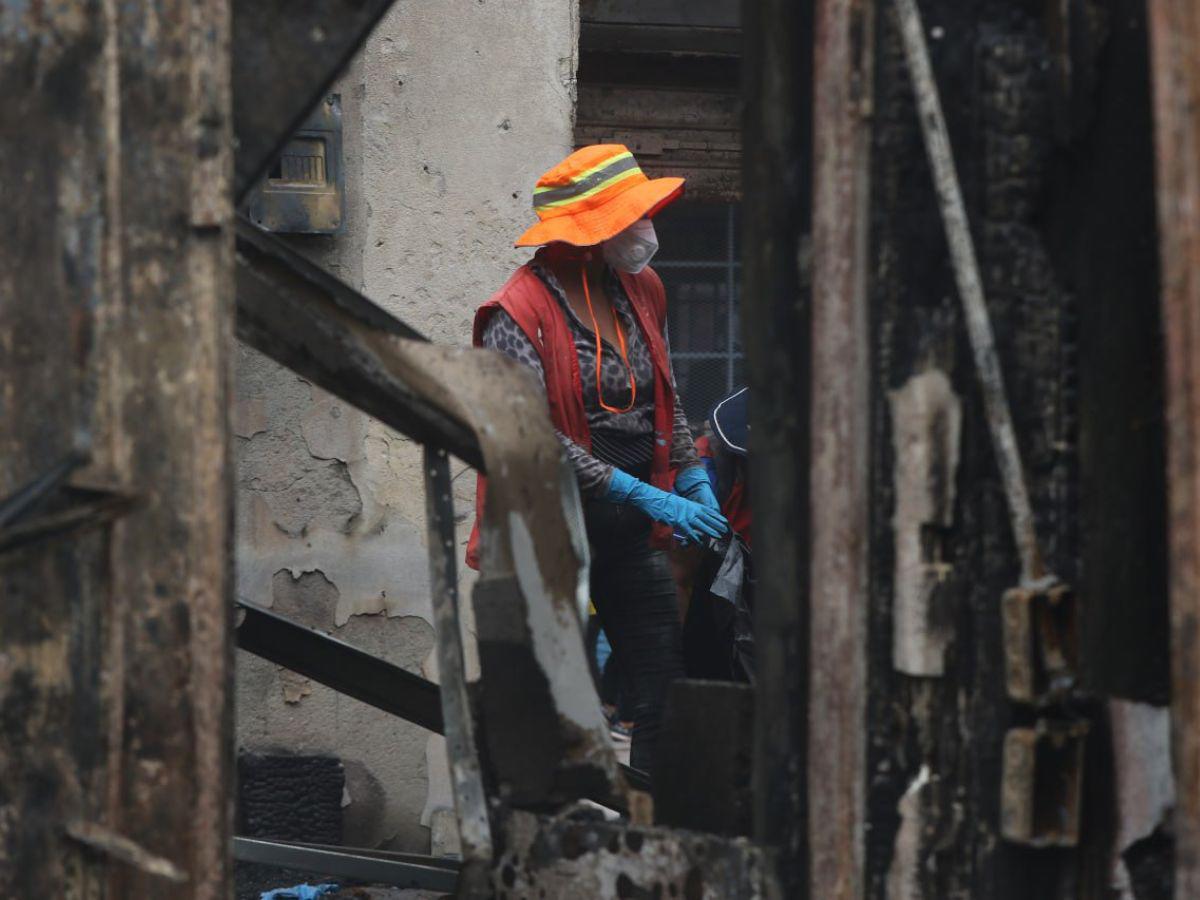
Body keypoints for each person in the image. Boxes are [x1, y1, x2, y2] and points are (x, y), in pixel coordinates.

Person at [466, 144, 727, 774]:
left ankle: (654, 837)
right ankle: (537, 851)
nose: (646, 230)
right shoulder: (518, 312)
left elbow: (666, 387)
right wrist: (640, 492)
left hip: (628, 533)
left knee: (664, 681)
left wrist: (689, 475)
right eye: (631, 218)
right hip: (549, 529)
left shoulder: (641, 288)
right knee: (549, 706)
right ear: (588, 235)